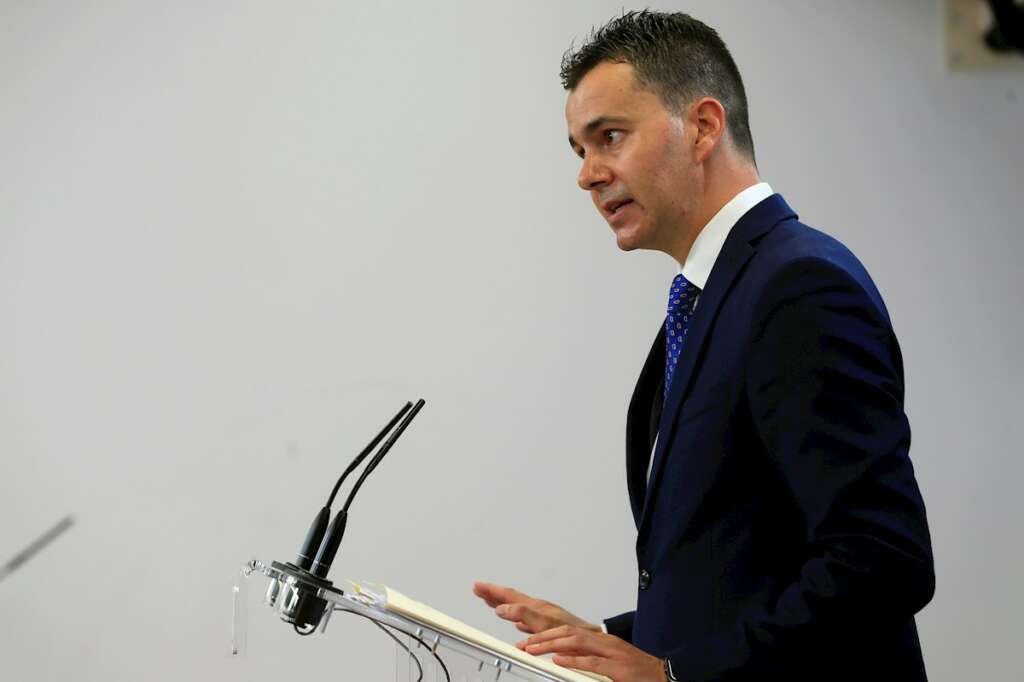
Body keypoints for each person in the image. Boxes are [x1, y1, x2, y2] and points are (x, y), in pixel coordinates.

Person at [474, 10, 935, 682]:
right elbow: (749, 564)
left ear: (702, 126)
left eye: (609, 138)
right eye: (580, 150)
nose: (588, 175)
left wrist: (675, 677)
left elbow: (880, 561)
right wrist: (608, 639)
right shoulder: (717, 290)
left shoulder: (798, 287)